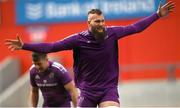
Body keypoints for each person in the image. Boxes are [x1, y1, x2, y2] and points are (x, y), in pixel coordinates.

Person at [5, 1, 175, 107]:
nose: (101, 24)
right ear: (89, 23)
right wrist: (24, 45)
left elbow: (136, 28)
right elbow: (52, 46)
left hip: (108, 89)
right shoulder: (78, 40)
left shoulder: (113, 33)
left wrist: (157, 15)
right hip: (86, 91)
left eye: (102, 20)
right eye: (97, 21)